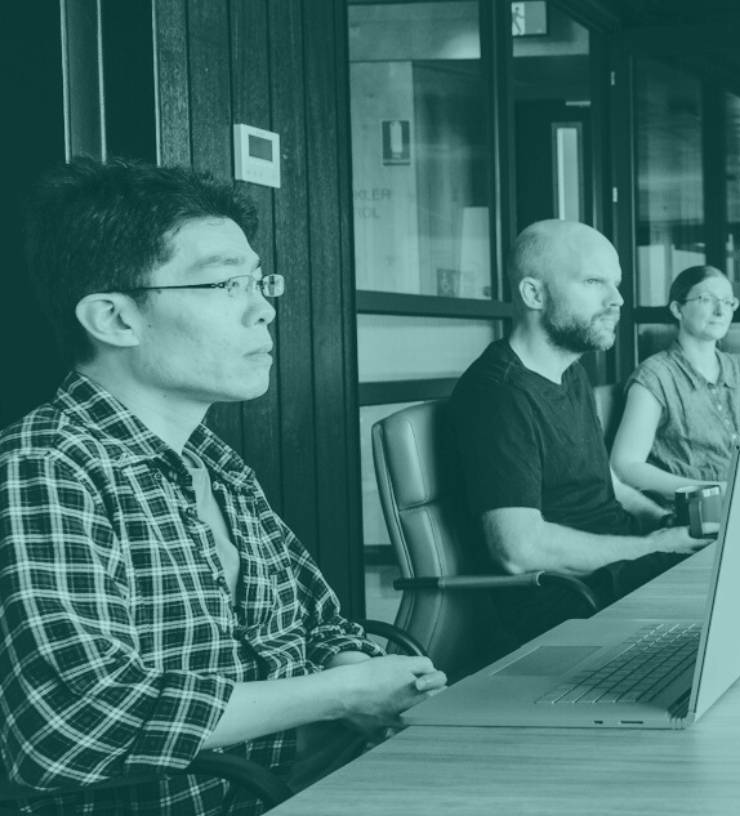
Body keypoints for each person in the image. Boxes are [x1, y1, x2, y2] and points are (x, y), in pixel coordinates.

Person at [1, 158, 445, 815]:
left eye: (260, 280)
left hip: (307, 786)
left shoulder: (214, 461)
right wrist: (341, 694)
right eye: (224, 284)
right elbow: (74, 721)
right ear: (115, 319)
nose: (263, 308)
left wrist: (352, 663)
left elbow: (316, 621)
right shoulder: (43, 467)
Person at [449, 221, 699, 639]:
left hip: (619, 561)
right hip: (568, 596)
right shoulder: (497, 395)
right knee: (732, 575)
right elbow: (519, 550)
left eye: (615, 284)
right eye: (593, 281)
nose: (617, 299)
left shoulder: (571, 372)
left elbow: (604, 483)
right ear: (534, 294)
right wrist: (657, 546)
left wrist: (661, 520)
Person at [609, 265, 740, 498]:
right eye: (706, 299)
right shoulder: (655, 376)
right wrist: (713, 492)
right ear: (678, 309)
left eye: (728, 301)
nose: (721, 311)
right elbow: (626, 466)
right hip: (696, 514)